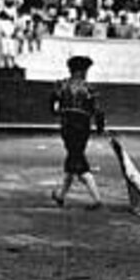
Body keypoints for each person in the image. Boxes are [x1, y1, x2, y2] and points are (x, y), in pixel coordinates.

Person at [50, 56, 106, 210]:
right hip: (82, 129)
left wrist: (56, 112)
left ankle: (96, 200)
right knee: (74, 158)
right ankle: (61, 196)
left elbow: (52, 101)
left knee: (76, 160)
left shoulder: (62, 85)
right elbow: (98, 111)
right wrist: (100, 128)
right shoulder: (89, 89)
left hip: (67, 127)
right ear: (81, 71)